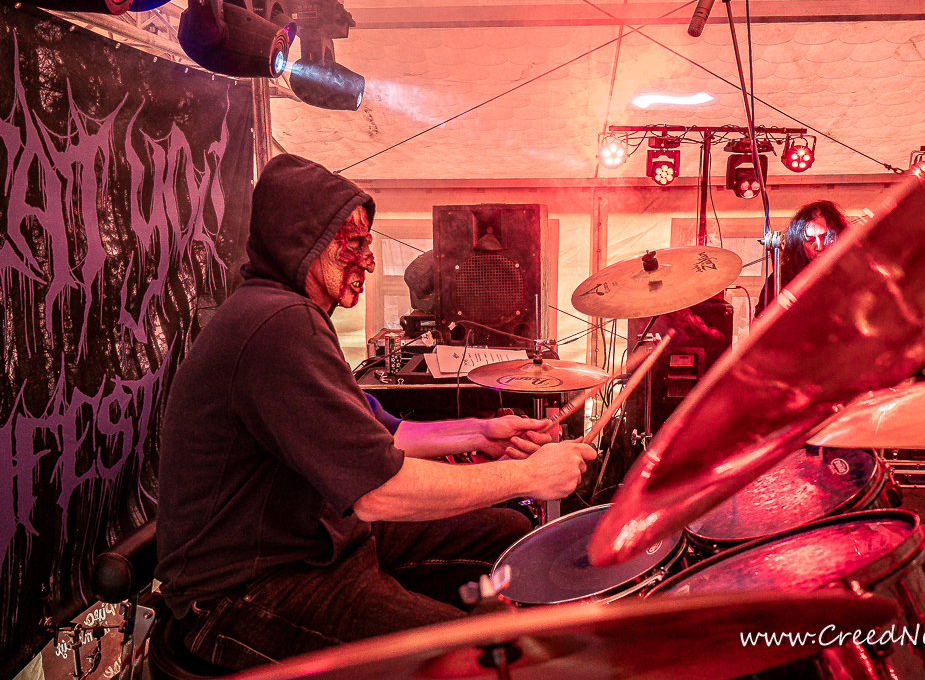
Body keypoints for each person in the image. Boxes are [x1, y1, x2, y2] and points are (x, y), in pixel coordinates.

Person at [155, 154, 596, 670]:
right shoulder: (277, 325)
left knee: (506, 533)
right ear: (304, 244)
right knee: (476, 660)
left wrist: (482, 432)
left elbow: (389, 434)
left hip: (320, 542)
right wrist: (528, 476)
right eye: (354, 243)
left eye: (368, 244)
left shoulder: (289, 315)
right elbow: (378, 492)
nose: (367, 261)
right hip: (246, 591)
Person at [755, 200, 849, 317]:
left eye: (825, 237)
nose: (819, 247)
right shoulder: (783, 278)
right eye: (810, 240)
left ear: (839, 235)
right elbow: (756, 325)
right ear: (799, 244)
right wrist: (774, 312)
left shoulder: (852, 274)